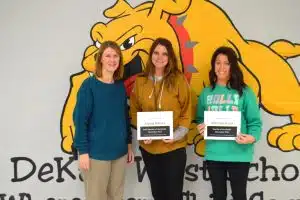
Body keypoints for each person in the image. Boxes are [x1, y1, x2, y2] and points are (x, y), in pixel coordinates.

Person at [196, 46, 262, 200]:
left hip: (239, 153)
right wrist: (201, 127)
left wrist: (252, 138)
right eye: (218, 63)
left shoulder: (245, 92)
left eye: (226, 63)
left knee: (239, 196)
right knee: (218, 196)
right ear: (213, 66)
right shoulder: (206, 93)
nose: (221, 67)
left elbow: (255, 123)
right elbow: (200, 118)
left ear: (233, 66)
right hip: (214, 154)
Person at [130, 37, 192, 200]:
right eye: (156, 52)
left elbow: (186, 112)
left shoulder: (179, 80)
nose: (160, 57)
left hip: (173, 148)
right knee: (158, 194)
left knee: (173, 195)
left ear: (170, 57)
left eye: (165, 54)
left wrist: (175, 136)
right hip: (149, 149)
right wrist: (143, 133)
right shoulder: (140, 81)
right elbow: (135, 110)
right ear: (151, 55)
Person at [73, 40, 134, 200]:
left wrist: (128, 145)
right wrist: (83, 152)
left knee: (116, 196)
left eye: (115, 56)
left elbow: (124, 118)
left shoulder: (120, 87)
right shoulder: (89, 86)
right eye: (108, 55)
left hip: (119, 153)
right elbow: (80, 120)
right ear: (100, 59)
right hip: (96, 155)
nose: (112, 60)